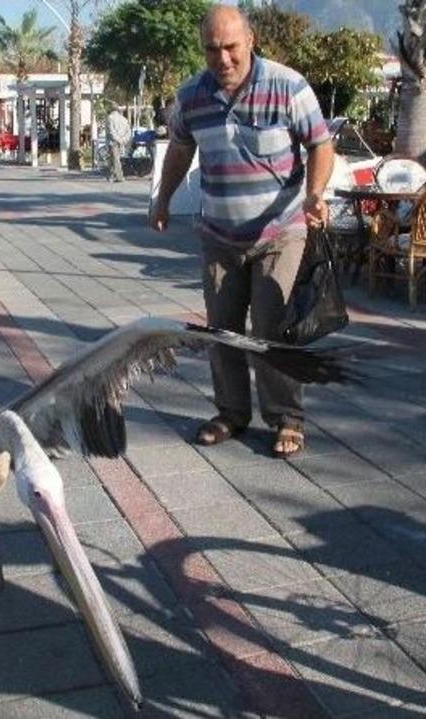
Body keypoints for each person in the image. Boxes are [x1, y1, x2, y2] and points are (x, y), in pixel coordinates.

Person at [147, 5, 334, 459]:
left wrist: (314, 193)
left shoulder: (288, 86)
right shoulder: (191, 95)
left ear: (250, 41)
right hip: (219, 235)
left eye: (231, 47)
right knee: (223, 331)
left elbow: (320, 144)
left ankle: (286, 418)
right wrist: (163, 197)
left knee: (270, 330)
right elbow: (179, 149)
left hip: (280, 232)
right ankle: (231, 412)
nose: (223, 58)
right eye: (212, 49)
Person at [105, 108, 131, 182]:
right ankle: (111, 175)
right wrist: (124, 140)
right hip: (122, 141)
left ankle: (119, 177)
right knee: (115, 158)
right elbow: (128, 131)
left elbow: (111, 131)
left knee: (114, 159)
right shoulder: (124, 119)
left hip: (113, 142)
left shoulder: (110, 118)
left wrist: (118, 139)